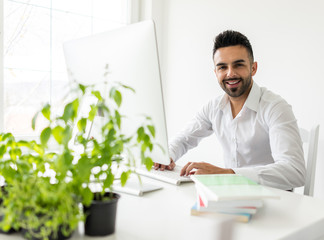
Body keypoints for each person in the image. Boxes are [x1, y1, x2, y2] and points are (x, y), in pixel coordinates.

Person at [154, 30, 305, 190]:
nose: (230, 73)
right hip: (231, 196)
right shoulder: (213, 107)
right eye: (222, 67)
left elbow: (295, 172)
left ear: (253, 68)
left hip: (275, 200)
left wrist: (228, 174)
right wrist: (166, 156)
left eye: (238, 65)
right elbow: (184, 139)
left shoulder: (275, 108)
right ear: (215, 72)